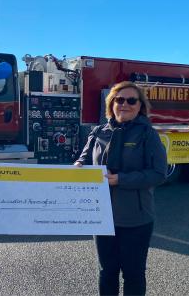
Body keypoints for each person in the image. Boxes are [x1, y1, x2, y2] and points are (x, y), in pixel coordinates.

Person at [74, 81, 167, 295]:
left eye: (131, 100)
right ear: (111, 103)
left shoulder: (147, 134)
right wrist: (78, 166)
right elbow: (84, 158)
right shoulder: (98, 132)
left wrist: (121, 180)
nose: (125, 104)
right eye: (119, 99)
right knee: (107, 271)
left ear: (140, 106)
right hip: (101, 217)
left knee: (133, 273)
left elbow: (158, 173)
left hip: (135, 218)